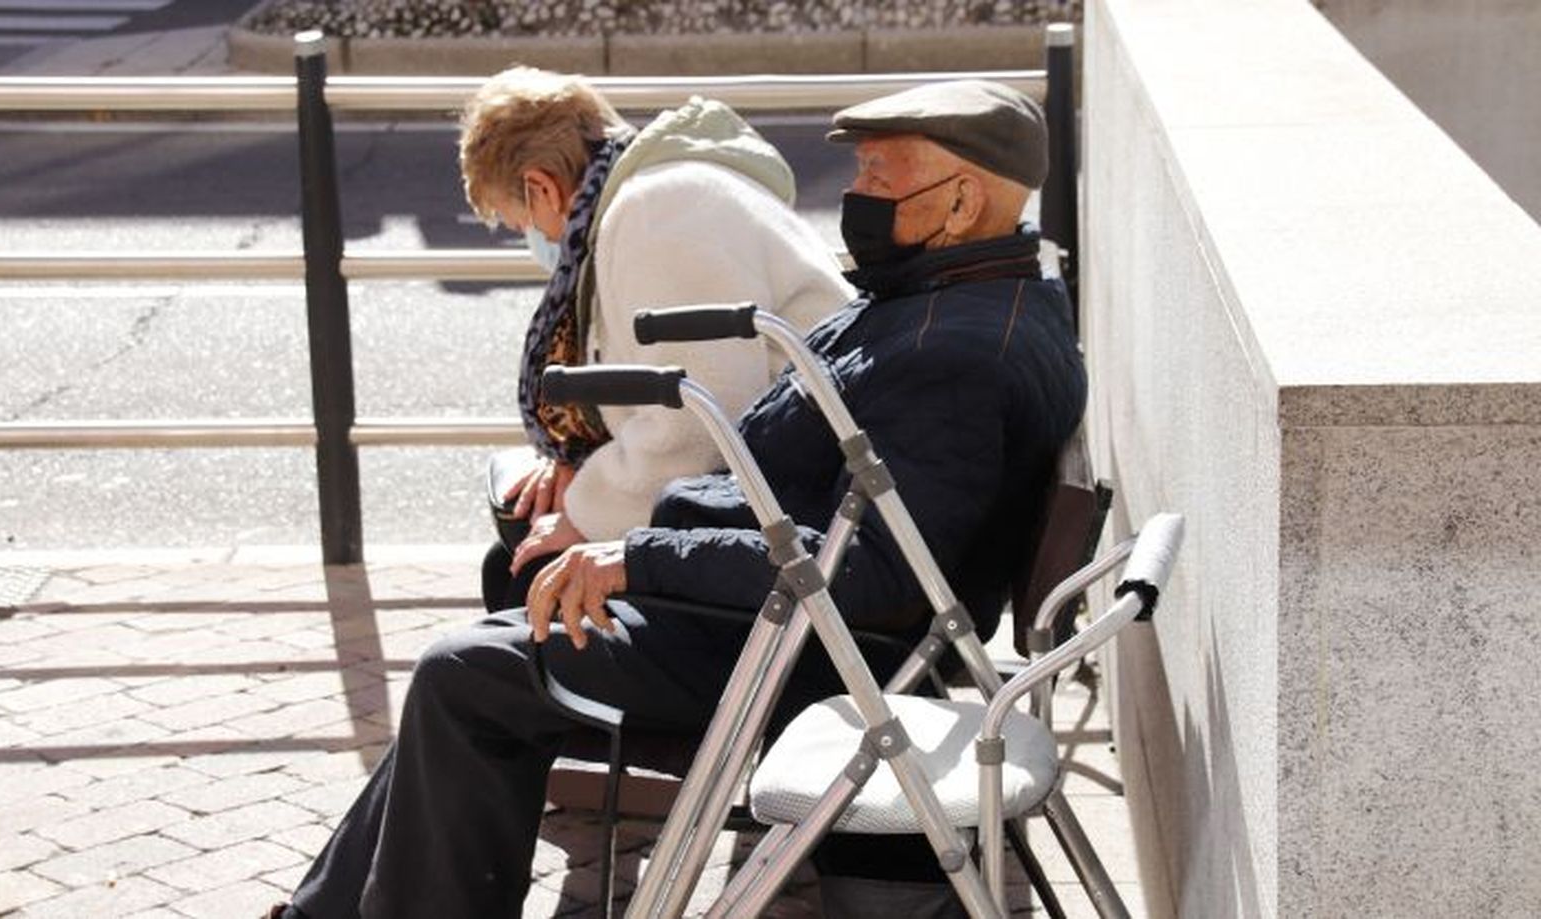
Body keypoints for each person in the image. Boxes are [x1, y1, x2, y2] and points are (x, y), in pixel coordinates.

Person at [268, 78, 1086, 919]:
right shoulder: (956, 301)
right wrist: (644, 534)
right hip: (782, 613)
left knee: (467, 671)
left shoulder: (945, 350)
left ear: (960, 201)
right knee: (492, 640)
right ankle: (327, 909)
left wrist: (639, 553)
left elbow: (872, 573)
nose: (855, 196)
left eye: (880, 177)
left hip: (803, 646)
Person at [460, 67, 850, 611]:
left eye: (524, 222)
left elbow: (699, 420)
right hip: (794, 493)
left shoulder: (658, 212)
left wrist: (585, 513)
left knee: (523, 578)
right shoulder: (659, 197)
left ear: (541, 187)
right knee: (517, 564)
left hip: (802, 520)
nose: (540, 241)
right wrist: (582, 472)